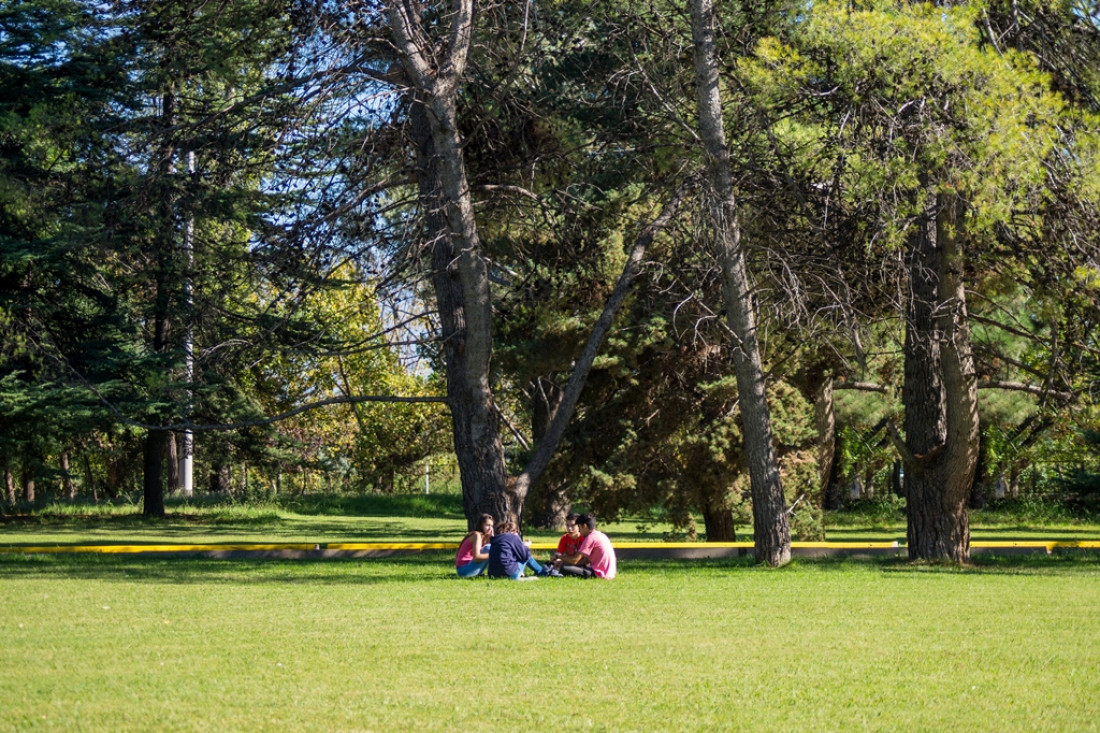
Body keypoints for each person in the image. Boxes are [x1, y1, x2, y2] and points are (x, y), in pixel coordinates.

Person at [559, 514, 617, 579]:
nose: (579, 531)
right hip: (610, 573)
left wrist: (559, 557)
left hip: (598, 574)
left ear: (584, 526)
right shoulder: (601, 535)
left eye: (579, 527)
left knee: (564, 568)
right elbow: (586, 560)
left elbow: (574, 560)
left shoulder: (590, 538)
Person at [455, 514, 494, 578]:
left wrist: (492, 538)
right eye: (487, 525)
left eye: (491, 526)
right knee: (489, 548)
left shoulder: (484, 537)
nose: (490, 528)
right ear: (481, 525)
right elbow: (476, 558)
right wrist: (493, 554)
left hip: (467, 569)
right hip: (464, 570)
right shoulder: (477, 535)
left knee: (492, 547)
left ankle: (496, 573)